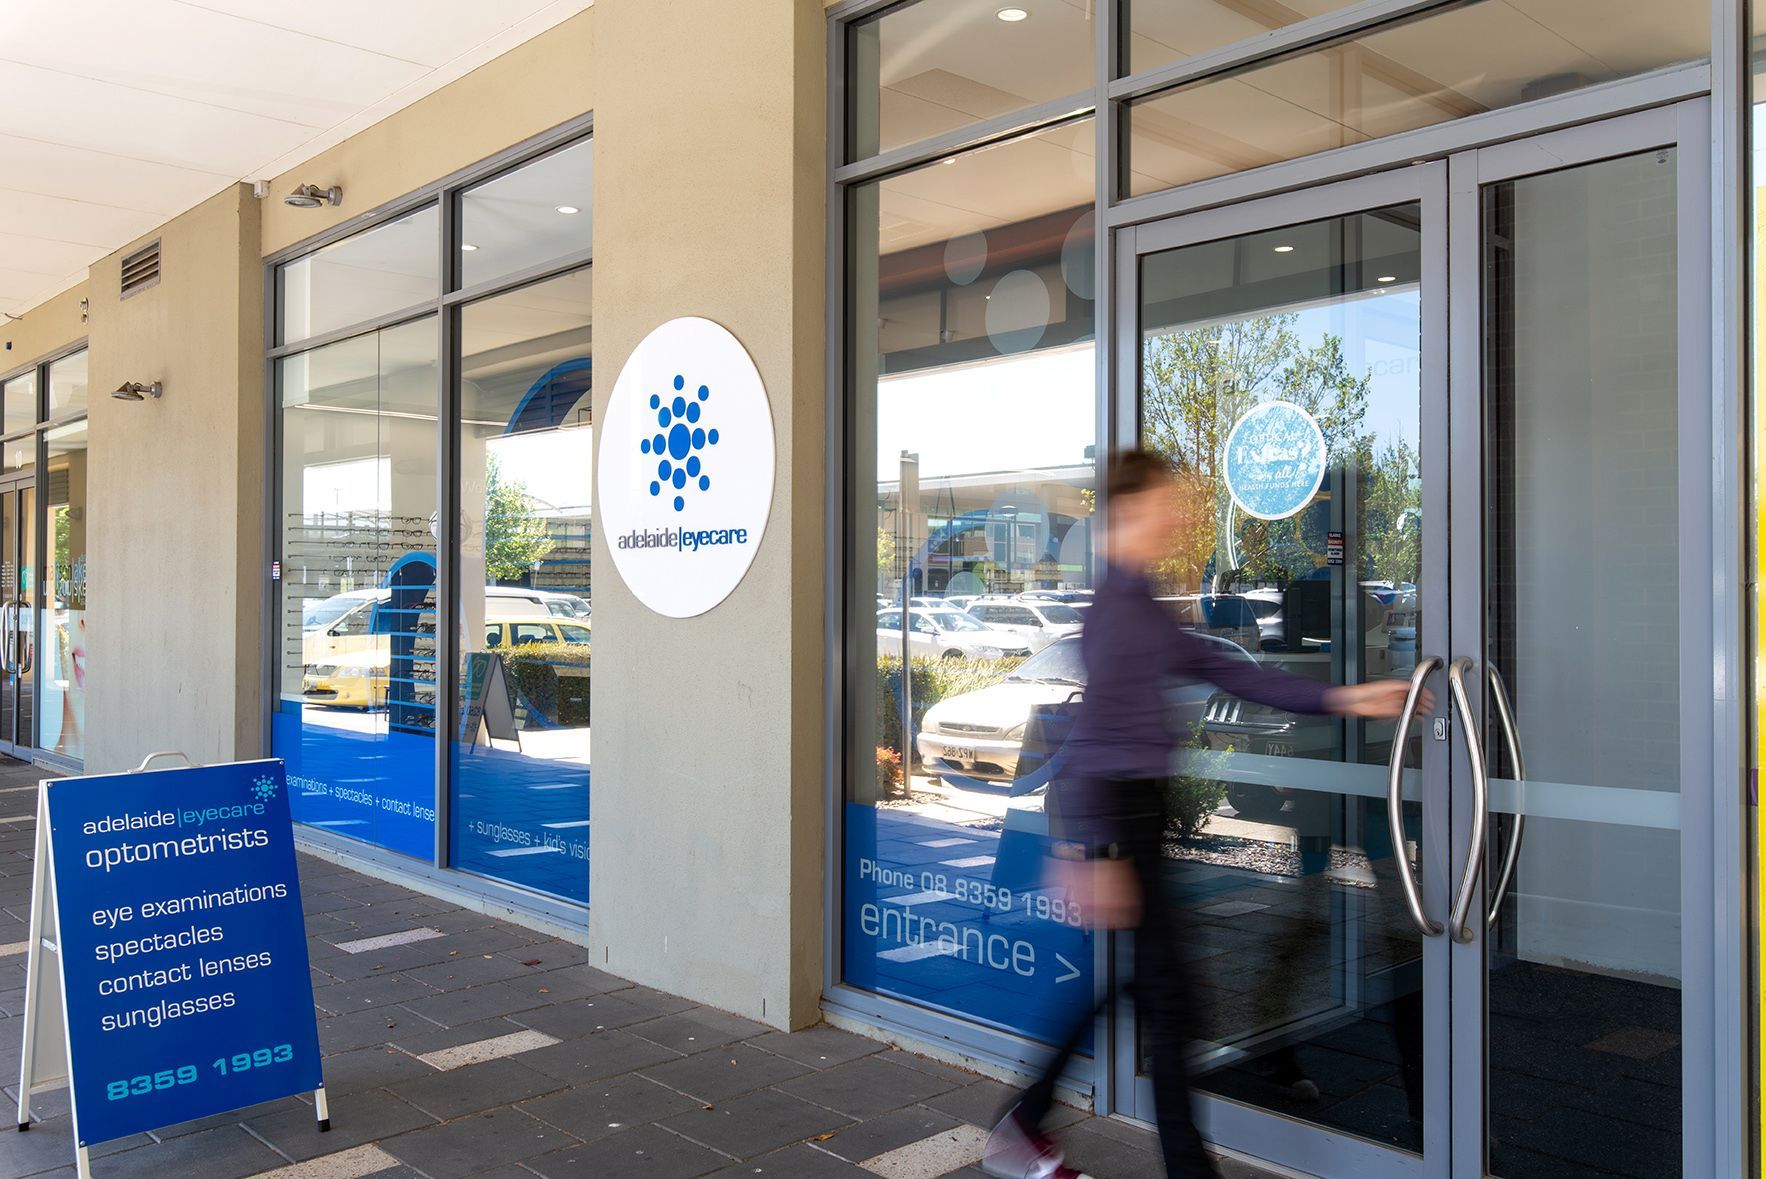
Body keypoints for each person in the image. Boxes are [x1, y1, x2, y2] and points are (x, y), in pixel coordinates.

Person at [981, 449, 1422, 1179]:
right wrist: (1092, 851)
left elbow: (1233, 673)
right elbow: (1095, 739)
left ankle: (1022, 1123)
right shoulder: (1122, 611)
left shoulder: (1139, 600)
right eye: (1166, 503)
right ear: (1128, 513)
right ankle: (1110, 1148)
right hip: (1124, 821)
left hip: (1134, 822)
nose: (1179, 515)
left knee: (1134, 990)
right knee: (1170, 1002)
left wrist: (1353, 697)